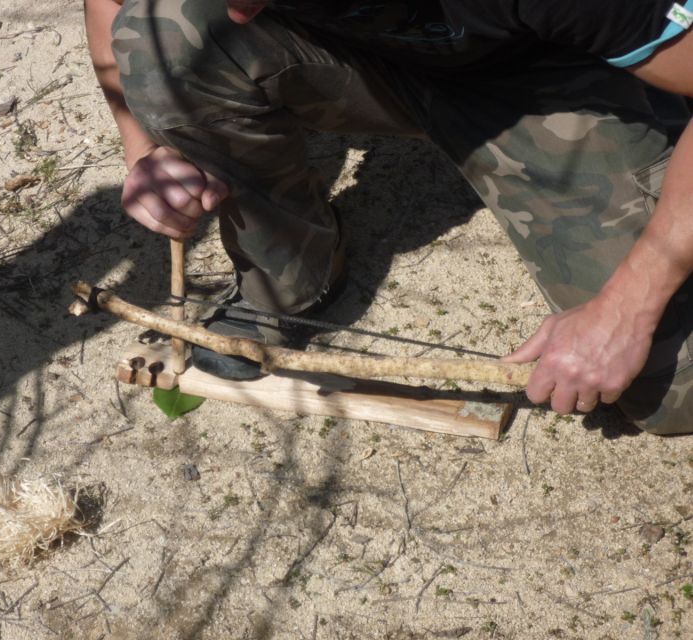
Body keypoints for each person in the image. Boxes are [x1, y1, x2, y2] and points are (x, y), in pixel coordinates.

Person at [84, 0, 693, 435]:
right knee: (166, 34)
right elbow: (115, 7)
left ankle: (651, 100)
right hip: (369, 53)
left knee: (673, 392)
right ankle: (294, 279)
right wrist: (147, 151)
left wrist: (627, 306)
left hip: (542, 75)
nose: (238, 15)